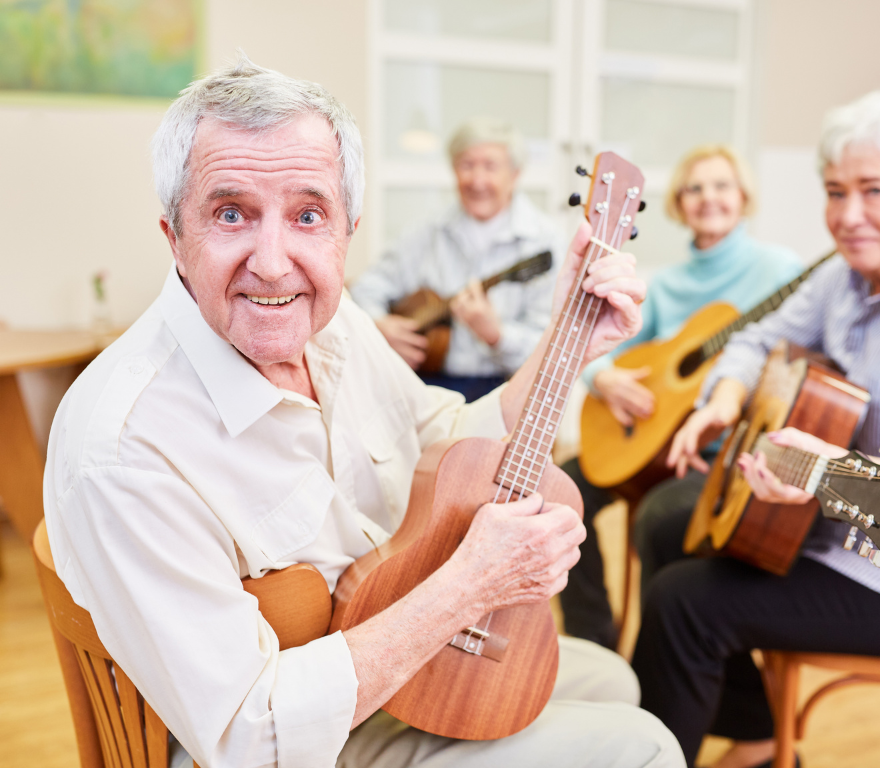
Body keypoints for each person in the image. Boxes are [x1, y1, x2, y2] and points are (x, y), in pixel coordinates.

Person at [42, 57, 685, 768]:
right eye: (231, 214)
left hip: (386, 633)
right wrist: (471, 583)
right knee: (646, 748)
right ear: (175, 238)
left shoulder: (331, 319)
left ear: (347, 229)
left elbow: (446, 443)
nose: (275, 263)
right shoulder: (126, 446)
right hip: (289, 736)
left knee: (614, 679)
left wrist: (570, 340)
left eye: (308, 215)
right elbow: (249, 736)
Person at [632, 90, 880, 768]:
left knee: (683, 605)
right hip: (840, 534)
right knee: (667, 525)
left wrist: (821, 474)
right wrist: (723, 400)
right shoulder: (847, 277)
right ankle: (756, 733)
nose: (846, 216)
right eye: (835, 191)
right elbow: (757, 338)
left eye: (873, 191)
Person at [559, 146, 804, 649]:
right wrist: (603, 379)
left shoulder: (782, 270)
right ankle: (594, 643)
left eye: (721, 186)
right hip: (653, 445)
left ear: (743, 198)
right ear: (677, 203)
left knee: (660, 517)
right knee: (561, 491)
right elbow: (600, 344)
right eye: (695, 188)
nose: (708, 198)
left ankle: (659, 658)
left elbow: (795, 364)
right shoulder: (666, 284)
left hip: (727, 455)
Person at [350, 117, 563, 402]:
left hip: (501, 390)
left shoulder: (544, 240)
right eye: (466, 165)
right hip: (424, 385)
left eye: (490, 166)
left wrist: (497, 335)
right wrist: (378, 326)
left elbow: (551, 352)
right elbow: (368, 286)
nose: (477, 180)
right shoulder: (427, 231)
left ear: (514, 175)